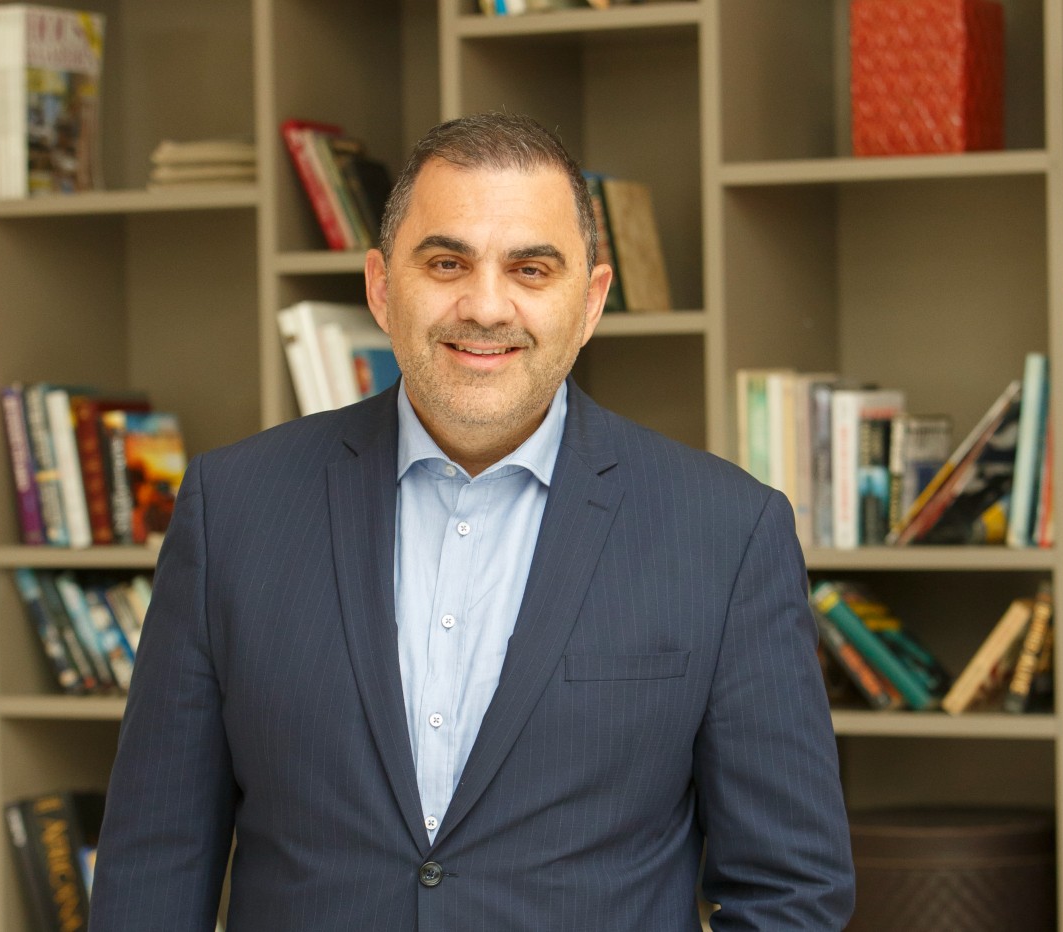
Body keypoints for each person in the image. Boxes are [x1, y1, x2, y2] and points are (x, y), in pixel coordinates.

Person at [89, 111, 855, 932]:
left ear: (591, 301)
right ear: (382, 287)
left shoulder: (727, 533)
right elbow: (154, 866)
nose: (486, 306)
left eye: (531, 269)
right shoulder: (231, 509)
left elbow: (791, 891)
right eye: (447, 262)